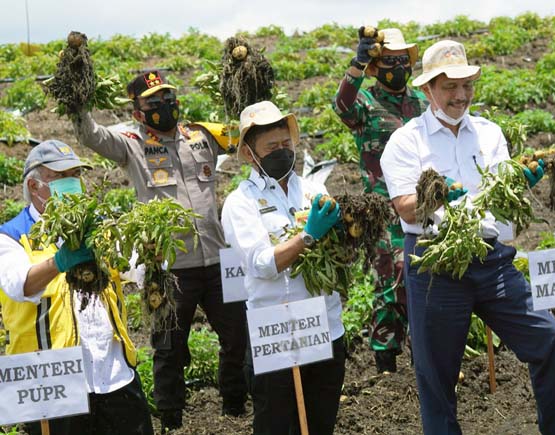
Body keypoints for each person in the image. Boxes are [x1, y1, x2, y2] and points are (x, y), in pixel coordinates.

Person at [380, 40, 555, 435]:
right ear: (428, 89)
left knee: (548, 337)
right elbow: (403, 206)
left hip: (490, 259)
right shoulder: (406, 141)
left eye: (466, 84)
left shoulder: (489, 134)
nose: (461, 95)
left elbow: (500, 197)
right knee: (436, 374)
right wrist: (434, 195)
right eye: (450, 86)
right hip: (435, 263)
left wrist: (520, 184)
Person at [72, 70, 248, 430]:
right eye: (153, 101)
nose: (164, 105)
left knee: (237, 335)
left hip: (217, 259)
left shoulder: (201, 136)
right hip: (167, 267)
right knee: (168, 347)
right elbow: (90, 135)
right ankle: (172, 418)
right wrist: (78, 98)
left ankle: (234, 405)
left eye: (168, 97)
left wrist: (243, 82)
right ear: (137, 110)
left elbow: (246, 131)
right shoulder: (131, 144)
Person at [0, 140, 153, 435]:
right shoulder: (12, 236)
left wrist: (151, 254)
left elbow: (135, 267)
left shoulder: (98, 227)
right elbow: (19, 284)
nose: (73, 183)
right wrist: (59, 262)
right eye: (61, 177)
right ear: (34, 186)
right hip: (54, 381)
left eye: (76, 175)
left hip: (114, 373)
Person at [221, 101, 346, 435]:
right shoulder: (240, 203)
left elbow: (335, 253)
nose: (282, 152)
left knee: (320, 422)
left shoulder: (313, 190)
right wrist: (307, 237)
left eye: (286, 144)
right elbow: (262, 264)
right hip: (275, 332)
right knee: (275, 423)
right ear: (249, 154)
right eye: (271, 147)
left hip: (323, 325)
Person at [333, 27, 427, 372]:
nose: (397, 67)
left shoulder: (421, 104)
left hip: (422, 206)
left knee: (425, 277)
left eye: (403, 61)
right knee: (390, 280)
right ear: (377, 66)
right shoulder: (366, 105)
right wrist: (357, 63)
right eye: (389, 62)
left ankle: (425, 355)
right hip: (382, 210)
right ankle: (385, 360)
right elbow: (341, 105)